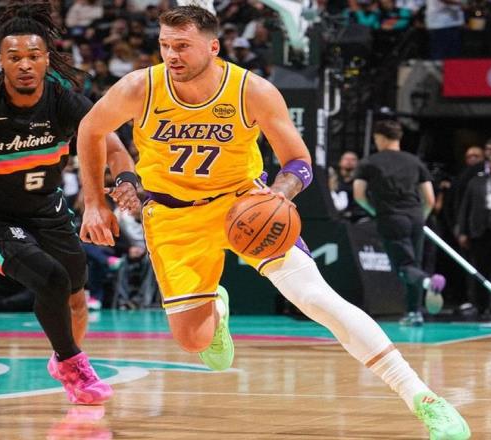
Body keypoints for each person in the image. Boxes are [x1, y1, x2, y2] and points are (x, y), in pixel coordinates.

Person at [77, 6, 470, 438]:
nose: (171, 55)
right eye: (165, 45)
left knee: (317, 299)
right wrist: (95, 203)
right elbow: (90, 129)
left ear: (213, 46)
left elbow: (298, 161)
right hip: (172, 217)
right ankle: (217, 307)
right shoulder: (140, 87)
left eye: (182, 46)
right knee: (193, 341)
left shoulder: (251, 90)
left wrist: (279, 193)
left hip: (244, 206)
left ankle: (423, 398)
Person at [0, 1, 138, 404]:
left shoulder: (63, 100)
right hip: (0, 217)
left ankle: (66, 361)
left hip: (47, 209)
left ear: (47, 59)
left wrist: (126, 181)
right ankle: (74, 365)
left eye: (33, 55)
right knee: (52, 279)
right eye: (14, 57)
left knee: (76, 297)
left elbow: (115, 149)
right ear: (1, 62)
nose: (25, 64)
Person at [353, 120, 447, 327]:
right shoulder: (415, 162)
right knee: (413, 264)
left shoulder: (369, 162)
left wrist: (376, 212)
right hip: (416, 218)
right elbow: (430, 199)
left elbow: (359, 195)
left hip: (391, 218)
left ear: (380, 138)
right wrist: (421, 216)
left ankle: (429, 283)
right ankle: (414, 312)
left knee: (404, 267)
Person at [457, 151, 491, 315]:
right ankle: (479, 304)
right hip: (479, 232)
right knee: (479, 269)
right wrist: (462, 231)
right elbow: (465, 207)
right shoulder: (476, 181)